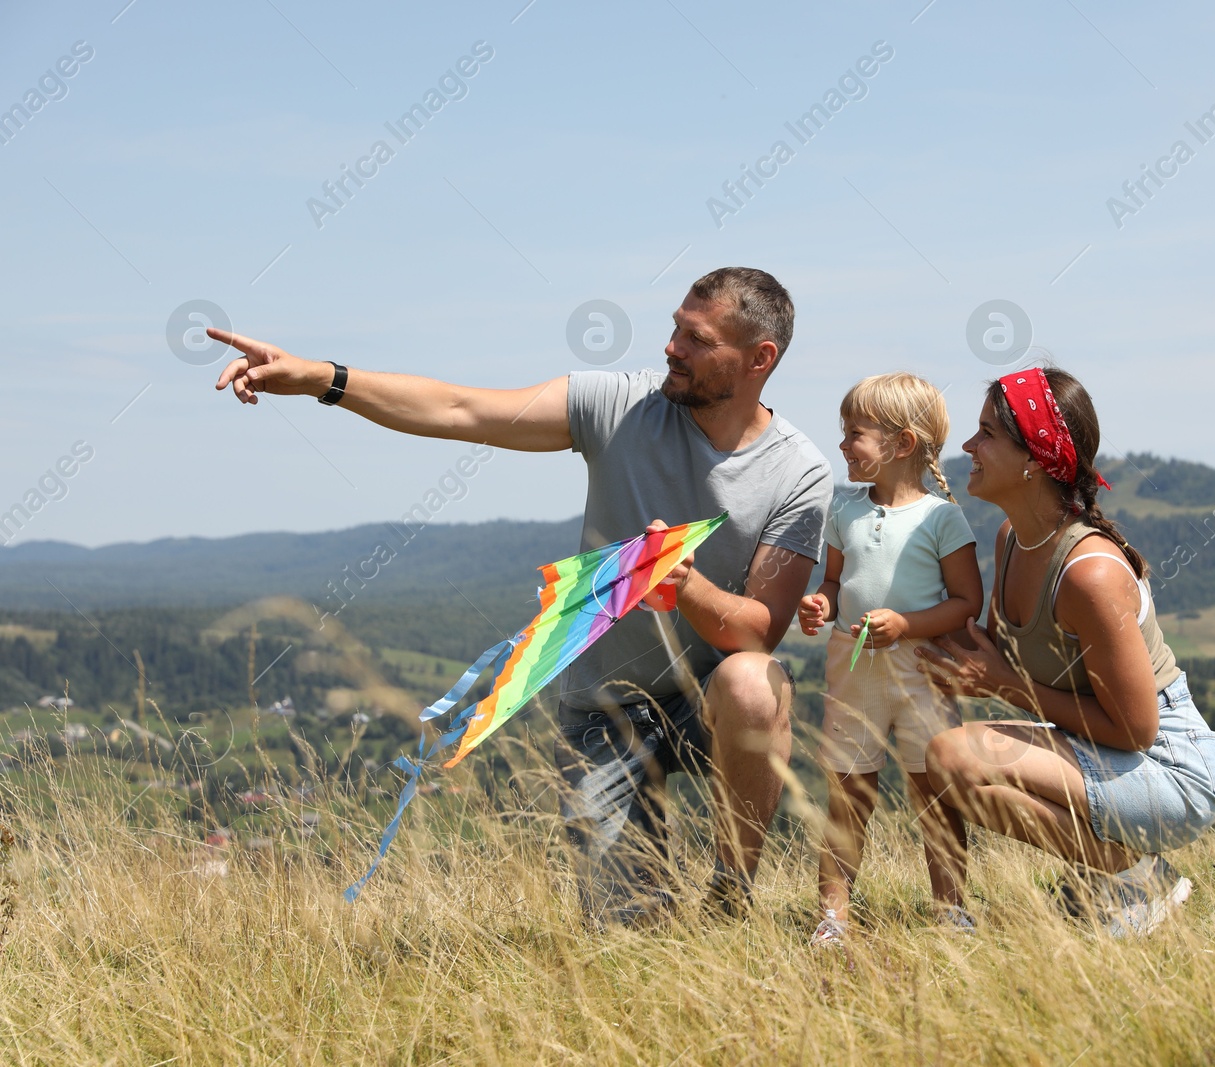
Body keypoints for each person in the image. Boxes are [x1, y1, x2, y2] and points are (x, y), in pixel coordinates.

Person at [210, 266, 831, 926]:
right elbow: (461, 409)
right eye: (674, 328)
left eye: (697, 338)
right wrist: (321, 379)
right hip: (605, 708)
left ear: (759, 358)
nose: (672, 347)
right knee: (629, 940)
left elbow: (759, 630)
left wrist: (686, 585)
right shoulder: (618, 404)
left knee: (754, 683)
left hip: (709, 696)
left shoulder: (798, 471)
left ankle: (730, 894)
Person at [917, 367, 1215, 936]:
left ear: (1033, 458)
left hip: (1170, 769)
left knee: (955, 757)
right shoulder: (1012, 538)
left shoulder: (1090, 574)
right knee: (947, 761)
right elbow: (991, 657)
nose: (968, 446)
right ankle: (1116, 880)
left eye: (986, 432)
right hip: (1102, 754)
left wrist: (1002, 686)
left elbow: (1134, 729)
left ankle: (1137, 876)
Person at [797, 373, 983, 946]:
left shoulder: (942, 519)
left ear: (901, 444)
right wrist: (820, 604)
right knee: (848, 794)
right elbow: (834, 580)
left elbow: (967, 603)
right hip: (852, 671)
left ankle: (950, 909)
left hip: (922, 673)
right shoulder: (843, 508)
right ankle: (833, 917)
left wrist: (906, 625)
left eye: (854, 433)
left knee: (936, 792)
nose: (843, 445)